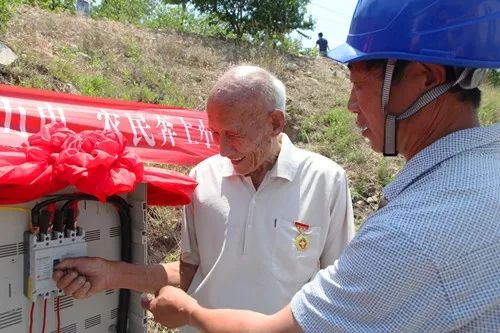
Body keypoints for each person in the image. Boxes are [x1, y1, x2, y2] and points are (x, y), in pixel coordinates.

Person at [135, 0, 500, 332]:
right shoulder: (480, 179)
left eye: (358, 85)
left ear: (426, 77)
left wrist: (189, 313)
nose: (351, 105)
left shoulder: (408, 233)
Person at [53, 66, 355, 332]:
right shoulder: (202, 178)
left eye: (233, 134)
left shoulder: (325, 181)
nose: (222, 150)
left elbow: (341, 291)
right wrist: (110, 274)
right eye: (215, 133)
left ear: (275, 123)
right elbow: (192, 270)